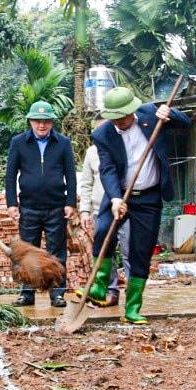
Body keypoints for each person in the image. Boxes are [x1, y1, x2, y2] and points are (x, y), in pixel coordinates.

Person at [76, 87, 189, 324]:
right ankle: (99, 286)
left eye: (123, 117)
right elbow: (106, 169)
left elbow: (186, 123)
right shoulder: (103, 134)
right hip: (119, 194)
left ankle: (133, 308)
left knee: (141, 250)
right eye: (114, 118)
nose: (119, 122)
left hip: (148, 197)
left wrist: (171, 114)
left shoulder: (150, 114)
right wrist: (116, 198)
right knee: (103, 230)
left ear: (132, 111)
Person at [6, 101, 76, 308]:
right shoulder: (19, 142)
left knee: (57, 252)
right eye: (37, 121)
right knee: (27, 252)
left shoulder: (62, 143)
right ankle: (27, 293)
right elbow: (10, 175)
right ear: (30, 122)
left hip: (56, 206)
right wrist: (12, 203)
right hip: (29, 206)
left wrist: (70, 202)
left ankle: (58, 293)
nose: (41, 125)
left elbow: (70, 175)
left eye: (46, 121)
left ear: (52, 122)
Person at [79, 114, 131, 306]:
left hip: (126, 208)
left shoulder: (125, 147)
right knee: (103, 250)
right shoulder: (92, 153)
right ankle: (110, 291)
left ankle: (133, 294)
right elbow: (86, 183)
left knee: (129, 250)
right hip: (99, 210)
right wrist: (84, 211)